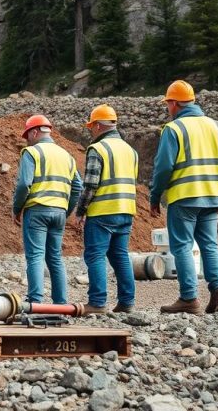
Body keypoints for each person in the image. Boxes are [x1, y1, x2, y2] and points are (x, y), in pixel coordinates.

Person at [150, 80, 218, 315]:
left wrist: (155, 196)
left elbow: (163, 168)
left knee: (181, 246)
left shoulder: (174, 129)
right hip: (212, 196)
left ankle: (189, 298)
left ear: (174, 103)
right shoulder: (217, 127)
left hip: (185, 197)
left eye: (168, 103)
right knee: (210, 245)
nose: (167, 108)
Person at [12, 115, 83, 305]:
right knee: (55, 258)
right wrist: (65, 210)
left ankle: (35, 301)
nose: (27, 141)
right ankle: (61, 304)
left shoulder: (32, 152)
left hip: (36, 210)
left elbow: (23, 185)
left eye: (28, 136)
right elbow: (77, 186)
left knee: (35, 256)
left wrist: (17, 208)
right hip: (59, 212)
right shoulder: (66, 155)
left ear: (35, 132)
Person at [73, 104, 137, 314]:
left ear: (99, 125)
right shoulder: (130, 150)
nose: (90, 130)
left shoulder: (98, 149)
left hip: (102, 212)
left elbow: (91, 184)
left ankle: (97, 303)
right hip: (126, 210)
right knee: (120, 256)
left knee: (95, 255)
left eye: (91, 126)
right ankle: (127, 302)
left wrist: (81, 211)